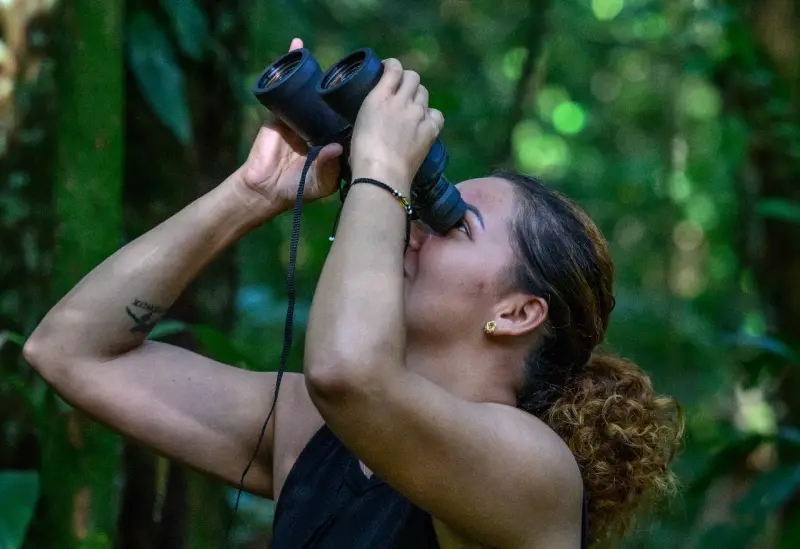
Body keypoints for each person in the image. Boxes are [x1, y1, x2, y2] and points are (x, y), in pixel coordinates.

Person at [24, 37, 683, 549]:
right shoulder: (313, 427)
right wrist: (248, 196)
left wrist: (385, 168)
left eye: (457, 221)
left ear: (517, 313)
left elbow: (350, 376)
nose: (416, 223)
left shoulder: (535, 473)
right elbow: (69, 350)